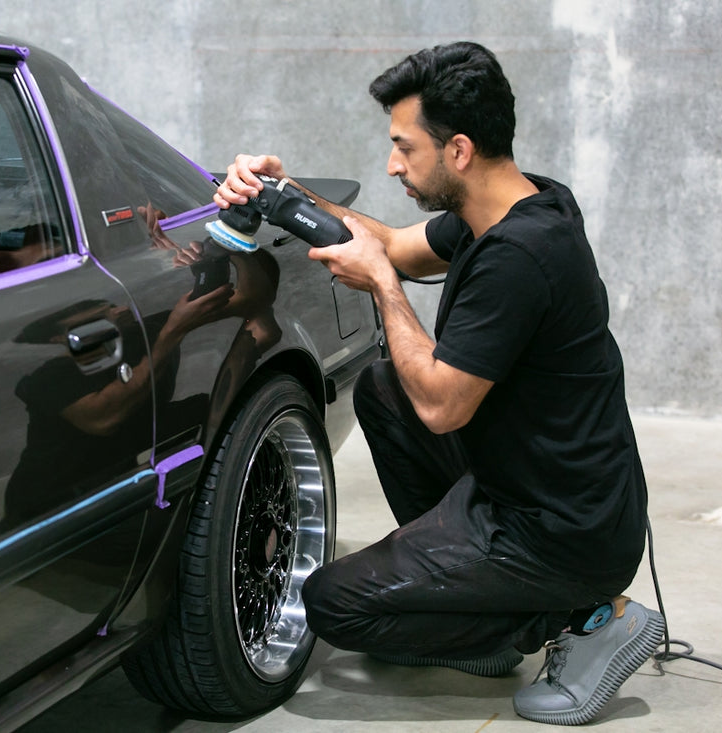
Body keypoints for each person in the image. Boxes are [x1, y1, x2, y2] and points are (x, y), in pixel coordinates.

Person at [214, 41, 665, 726]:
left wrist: (383, 287)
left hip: (560, 531)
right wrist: (284, 196)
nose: (392, 164)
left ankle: (586, 619)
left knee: (335, 604)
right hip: (535, 484)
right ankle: (484, 602)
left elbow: (442, 405)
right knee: (382, 388)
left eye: (405, 148)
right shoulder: (518, 206)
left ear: (458, 150)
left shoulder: (520, 257)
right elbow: (395, 245)